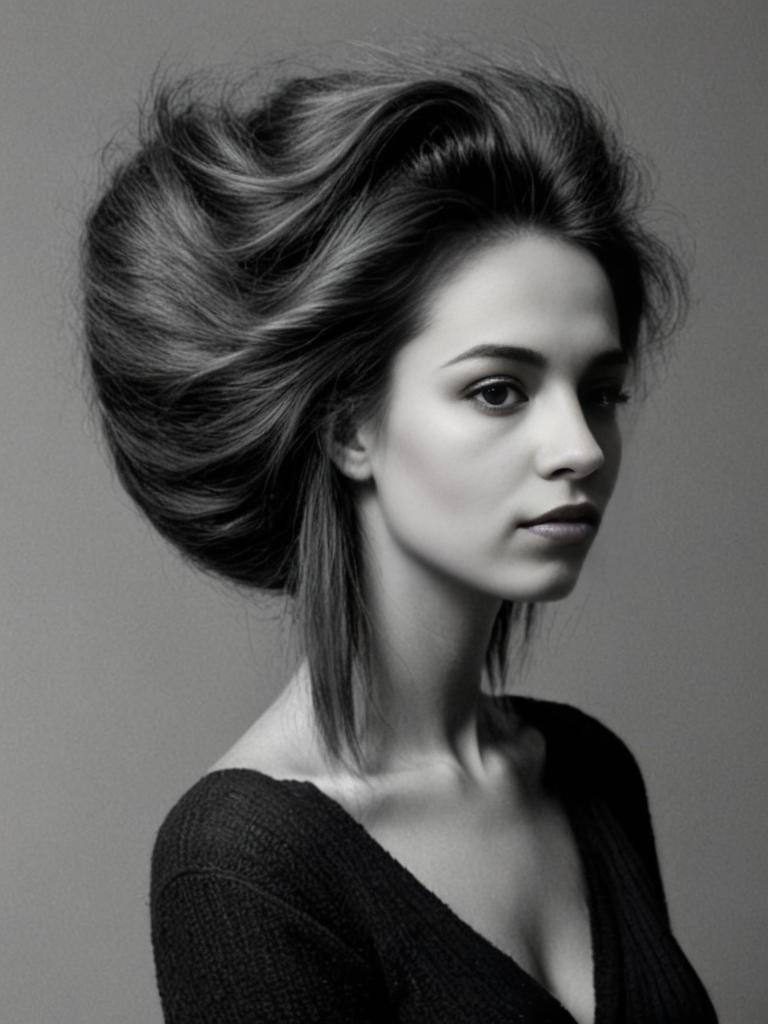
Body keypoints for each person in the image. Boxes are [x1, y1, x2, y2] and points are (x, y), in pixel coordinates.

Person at [81, 52, 718, 1023]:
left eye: (600, 392)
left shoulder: (589, 772)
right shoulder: (244, 866)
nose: (581, 448)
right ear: (348, 427)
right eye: (498, 390)